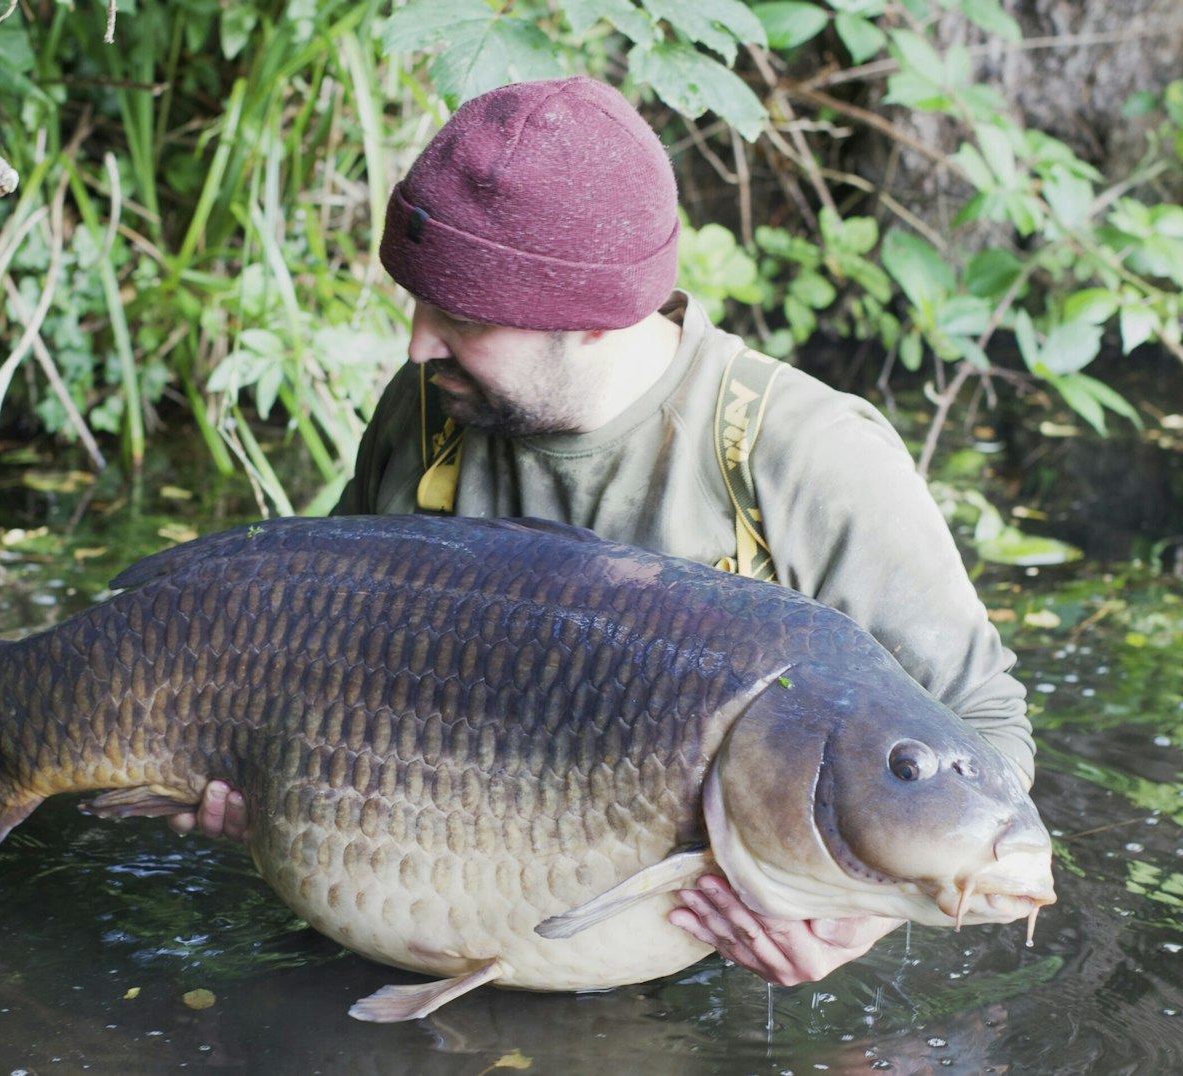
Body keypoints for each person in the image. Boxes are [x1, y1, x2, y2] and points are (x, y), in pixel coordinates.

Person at [169, 76, 1036, 987]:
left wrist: (850, 921)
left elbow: (982, 725)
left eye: (460, 318)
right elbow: (321, 642)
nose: (417, 345)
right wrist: (258, 774)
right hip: (436, 903)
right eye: (417, 304)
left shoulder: (807, 457)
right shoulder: (428, 411)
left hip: (698, 952)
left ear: (588, 322)